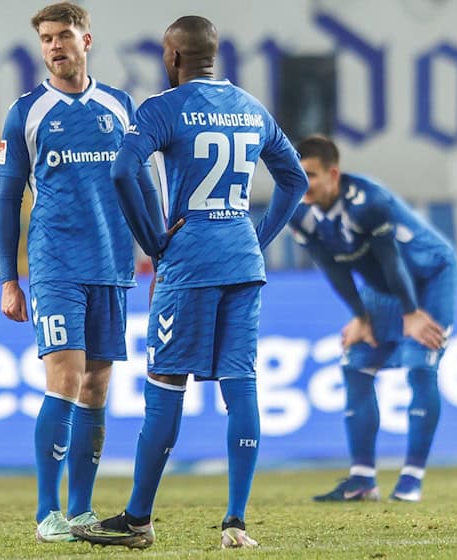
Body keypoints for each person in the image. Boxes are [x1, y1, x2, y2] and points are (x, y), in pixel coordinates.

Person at [70, 15, 307, 549]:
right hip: (243, 262)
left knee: (166, 388)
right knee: (240, 384)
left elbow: (121, 170)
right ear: (213, 56)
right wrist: (258, 236)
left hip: (189, 261)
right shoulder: (251, 108)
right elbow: (296, 179)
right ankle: (235, 522)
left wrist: (152, 239)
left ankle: (138, 519)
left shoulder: (161, 109)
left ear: (172, 57)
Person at [0, 2, 161, 542]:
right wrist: (8, 278)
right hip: (55, 265)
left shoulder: (119, 105)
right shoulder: (27, 113)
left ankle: (83, 509)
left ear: (86, 40)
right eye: (46, 38)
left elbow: (140, 184)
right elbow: (7, 199)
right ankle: (48, 513)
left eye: (64, 35)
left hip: (112, 266)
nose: (54, 46)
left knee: (96, 387)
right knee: (64, 377)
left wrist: (158, 251)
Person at [288, 135, 456, 504]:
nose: (304, 184)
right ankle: (362, 480)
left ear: (334, 174)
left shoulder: (368, 202)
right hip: (383, 286)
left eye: (312, 175)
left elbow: (393, 259)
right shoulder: (299, 213)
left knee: (419, 366)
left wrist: (412, 315)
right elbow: (333, 269)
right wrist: (360, 318)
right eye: (299, 175)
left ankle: (411, 480)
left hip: (429, 277)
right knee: (355, 365)